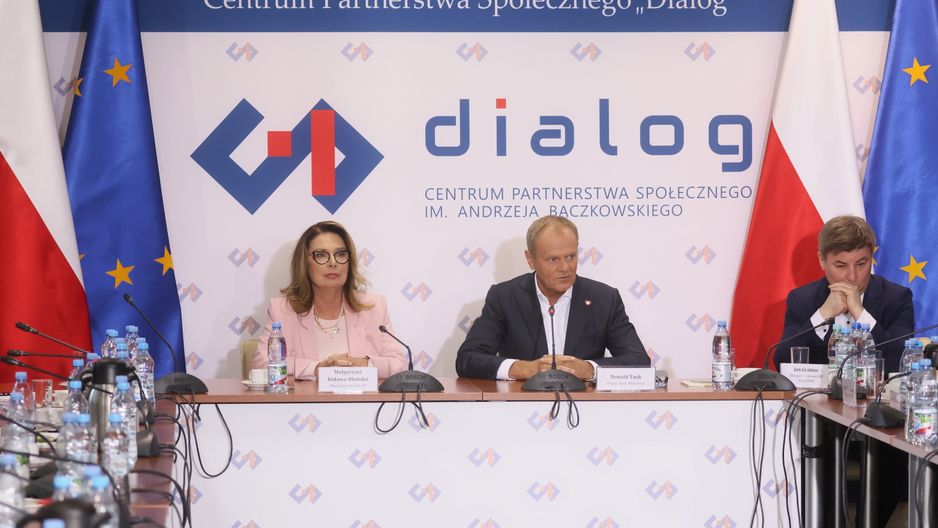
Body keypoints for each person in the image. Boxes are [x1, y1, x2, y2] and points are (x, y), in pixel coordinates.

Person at [456, 216, 648, 380]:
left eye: (571, 257)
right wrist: (524, 368)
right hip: (521, 406)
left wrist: (590, 369)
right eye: (553, 259)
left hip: (586, 407)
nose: (565, 267)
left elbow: (639, 361)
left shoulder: (604, 299)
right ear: (530, 259)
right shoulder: (505, 297)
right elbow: (467, 359)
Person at [252, 221, 407, 379]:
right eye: (321, 255)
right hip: (308, 396)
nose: (333, 263)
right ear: (304, 263)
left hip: (362, 396)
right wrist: (315, 368)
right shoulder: (282, 309)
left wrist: (363, 364)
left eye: (340, 254)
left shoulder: (374, 306)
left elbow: (399, 364)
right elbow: (261, 363)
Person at [774, 215, 914, 374]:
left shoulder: (896, 298)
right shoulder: (802, 299)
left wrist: (860, 313)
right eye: (841, 266)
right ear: (822, 261)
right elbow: (783, 363)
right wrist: (823, 314)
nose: (852, 277)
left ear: (871, 258)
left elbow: (902, 363)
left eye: (861, 264)